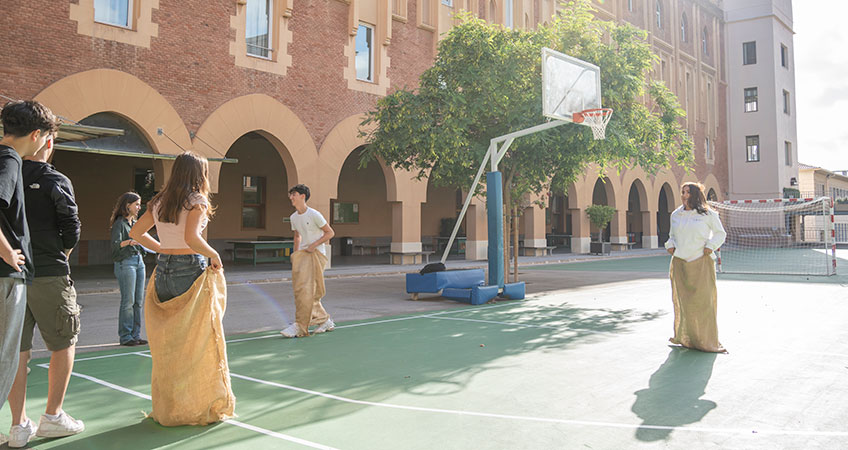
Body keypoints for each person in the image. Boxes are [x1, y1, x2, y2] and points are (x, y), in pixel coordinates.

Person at [130, 152, 233, 426]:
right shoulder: (196, 201)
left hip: (162, 269)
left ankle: (170, 406)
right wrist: (215, 255)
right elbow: (192, 238)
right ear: (199, 174)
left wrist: (163, 249)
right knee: (197, 341)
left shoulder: (159, 201)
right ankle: (195, 406)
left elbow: (136, 234)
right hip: (189, 267)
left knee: (170, 342)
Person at [6, 132, 85, 447]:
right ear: (47, 142)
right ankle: (52, 416)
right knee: (63, 342)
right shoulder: (55, 179)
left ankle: (17, 425)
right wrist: (61, 254)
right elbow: (71, 227)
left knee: (15, 352)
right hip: (50, 271)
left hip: (11, 273)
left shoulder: (6, 173)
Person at [0, 100, 57, 446]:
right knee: (5, 358)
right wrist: (7, 251)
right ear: (37, 135)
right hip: (7, 276)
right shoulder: (9, 160)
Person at [665, 181, 727, 353]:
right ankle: (686, 338)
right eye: (683, 192)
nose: (684, 195)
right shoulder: (676, 215)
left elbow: (720, 234)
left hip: (701, 262)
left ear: (696, 194)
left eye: (688, 192)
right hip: (679, 263)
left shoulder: (709, 214)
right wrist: (669, 245)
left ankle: (706, 341)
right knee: (684, 304)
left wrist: (710, 246)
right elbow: (672, 236)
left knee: (704, 303)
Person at [280, 184, 336, 338]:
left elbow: (330, 232)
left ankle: (300, 325)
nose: (291, 197)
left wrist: (313, 246)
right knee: (302, 290)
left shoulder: (314, 214)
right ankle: (324, 320)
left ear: (303, 196)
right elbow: (297, 236)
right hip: (303, 256)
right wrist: (295, 255)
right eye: (290, 194)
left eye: (294, 194)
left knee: (309, 291)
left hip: (317, 255)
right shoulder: (293, 217)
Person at [110, 192, 148, 346]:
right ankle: (126, 337)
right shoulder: (119, 223)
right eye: (137, 204)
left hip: (139, 261)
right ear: (128, 205)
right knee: (128, 301)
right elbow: (115, 245)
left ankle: (136, 335)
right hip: (125, 263)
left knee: (138, 301)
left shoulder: (135, 223)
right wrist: (129, 242)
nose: (139, 207)